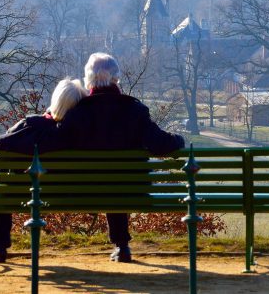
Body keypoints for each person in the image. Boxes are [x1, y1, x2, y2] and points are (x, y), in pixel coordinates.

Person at [58, 52, 185, 262]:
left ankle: (121, 244)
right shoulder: (134, 110)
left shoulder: (76, 114)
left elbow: (58, 144)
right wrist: (179, 140)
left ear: (88, 79)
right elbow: (160, 143)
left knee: (106, 180)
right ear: (117, 78)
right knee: (116, 181)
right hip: (132, 189)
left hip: (82, 191)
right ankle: (122, 245)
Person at [0, 78, 87, 262]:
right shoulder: (84, 135)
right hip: (75, 194)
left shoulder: (31, 126)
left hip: (24, 195)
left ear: (55, 101)